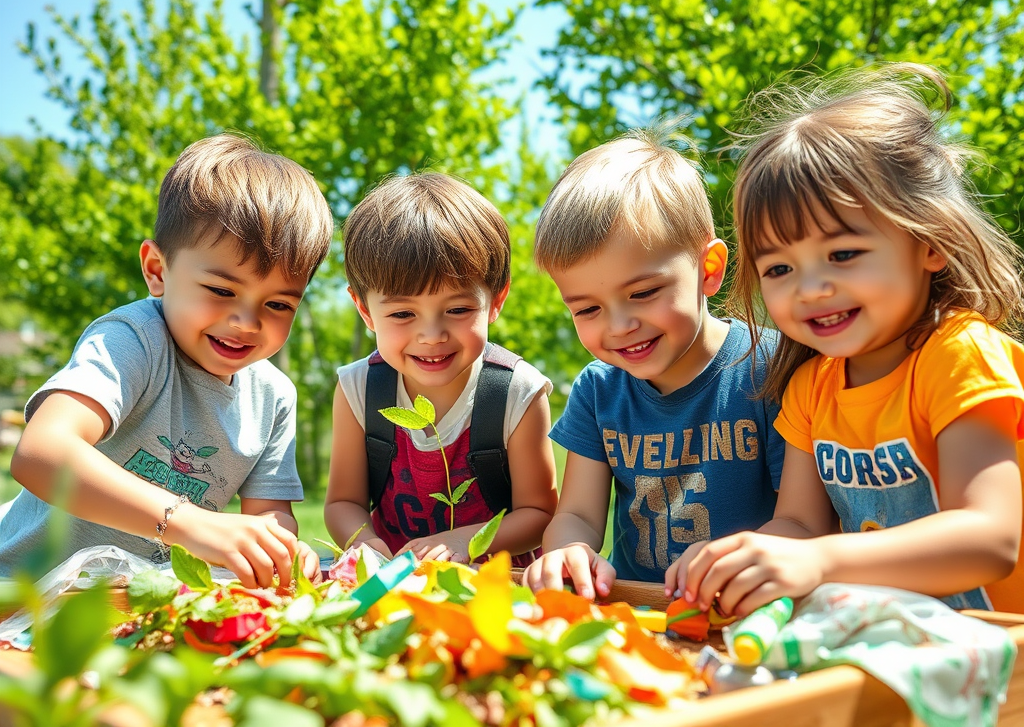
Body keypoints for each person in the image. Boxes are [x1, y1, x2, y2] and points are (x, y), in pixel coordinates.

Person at [678, 63, 1024, 616]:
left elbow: (990, 539)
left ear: (930, 241)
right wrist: (744, 556)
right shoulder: (813, 387)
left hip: (1002, 663)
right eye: (779, 269)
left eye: (842, 255)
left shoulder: (961, 355)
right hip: (899, 647)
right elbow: (801, 522)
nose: (811, 289)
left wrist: (823, 561)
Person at [2, 134, 334, 588]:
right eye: (221, 291)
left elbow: (270, 512)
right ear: (157, 271)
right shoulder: (133, 340)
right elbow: (41, 453)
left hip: (134, 602)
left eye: (278, 305)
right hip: (22, 590)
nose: (246, 322)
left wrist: (278, 547)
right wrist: (188, 523)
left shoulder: (274, 398)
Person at [521, 125, 785, 600]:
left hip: (747, 610)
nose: (619, 325)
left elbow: (804, 522)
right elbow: (578, 514)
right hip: (638, 611)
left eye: (642, 294)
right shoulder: (599, 390)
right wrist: (568, 550)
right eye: (587, 309)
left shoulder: (766, 367)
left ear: (708, 270)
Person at [324, 172, 558, 565]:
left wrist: (464, 541)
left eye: (458, 310)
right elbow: (342, 503)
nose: (431, 335)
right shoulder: (360, 389)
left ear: (496, 300)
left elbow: (539, 514)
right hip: (397, 586)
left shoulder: (516, 392)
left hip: (499, 590)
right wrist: (364, 542)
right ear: (365, 310)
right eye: (402, 313)